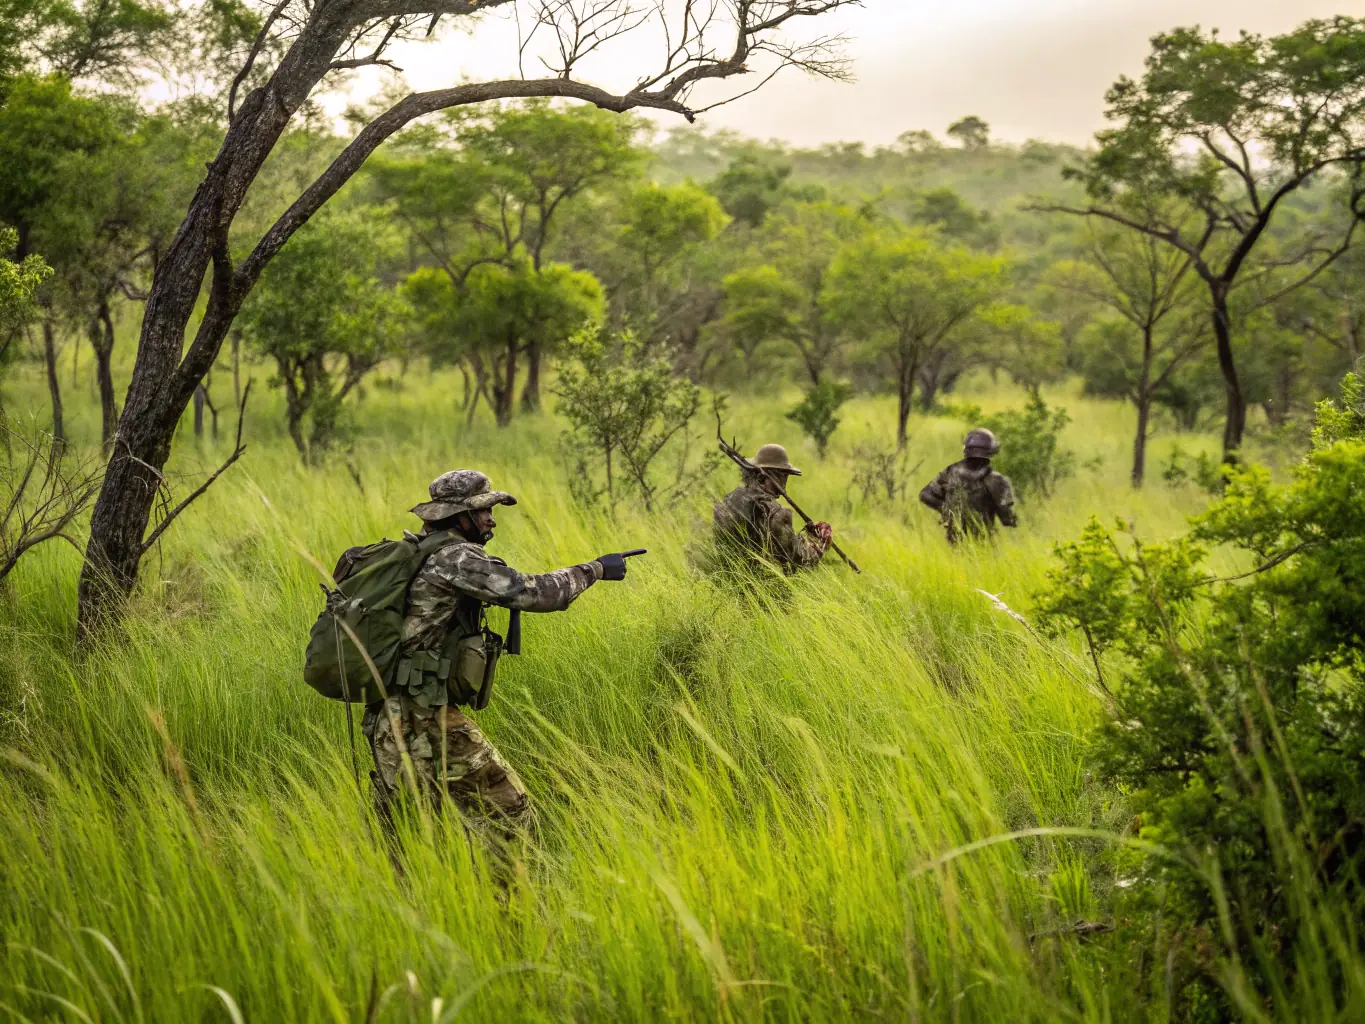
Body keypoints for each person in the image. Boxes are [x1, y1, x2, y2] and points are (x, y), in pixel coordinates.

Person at [363, 469, 636, 834]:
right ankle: (508, 890)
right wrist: (596, 569)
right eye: (484, 510)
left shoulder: (418, 551)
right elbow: (534, 592)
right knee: (509, 809)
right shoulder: (457, 558)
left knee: (409, 831)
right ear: (460, 516)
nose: (491, 518)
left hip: (389, 714)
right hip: (422, 717)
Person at [713, 443, 832, 573]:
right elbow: (800, 559)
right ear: (773, 476)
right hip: (757, 587)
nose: (785, 480)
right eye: (784, 475)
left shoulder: (731, 499)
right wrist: (820, 542)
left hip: (725, 578)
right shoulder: (774, 512)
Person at [918, 428, 1018, 543]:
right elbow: (1007, 520)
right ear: (990, 451)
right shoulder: (996, 480)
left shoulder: (950, 472)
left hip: (954, 540)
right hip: (983, 542)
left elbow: (925, 495)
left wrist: (947, 510)